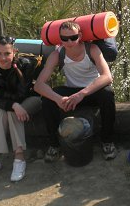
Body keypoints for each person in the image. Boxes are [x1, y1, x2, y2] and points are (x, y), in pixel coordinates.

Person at [34, 21, 117, 162]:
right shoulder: (57, 54)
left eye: (73, 37)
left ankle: (107, 141)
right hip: (71, 91)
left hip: (91, 91)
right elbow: (39, 85)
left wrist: (82, 94)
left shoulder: (92, 49)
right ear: (60, 39)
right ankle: (54, 145)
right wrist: (57, 99)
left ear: (80, 36)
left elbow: (107, 77)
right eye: (64, 38)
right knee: (47, 100)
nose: (69, 42)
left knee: (107, 94)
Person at [0, 36, 43, 182]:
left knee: (10, 110)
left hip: (32, 100)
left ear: (14, 52)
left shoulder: (25, 65)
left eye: (7, 53)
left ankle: (18, 158)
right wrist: (13, 105)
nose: (3, 58)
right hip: (14, 105)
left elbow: (20, 95)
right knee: (5, 110)